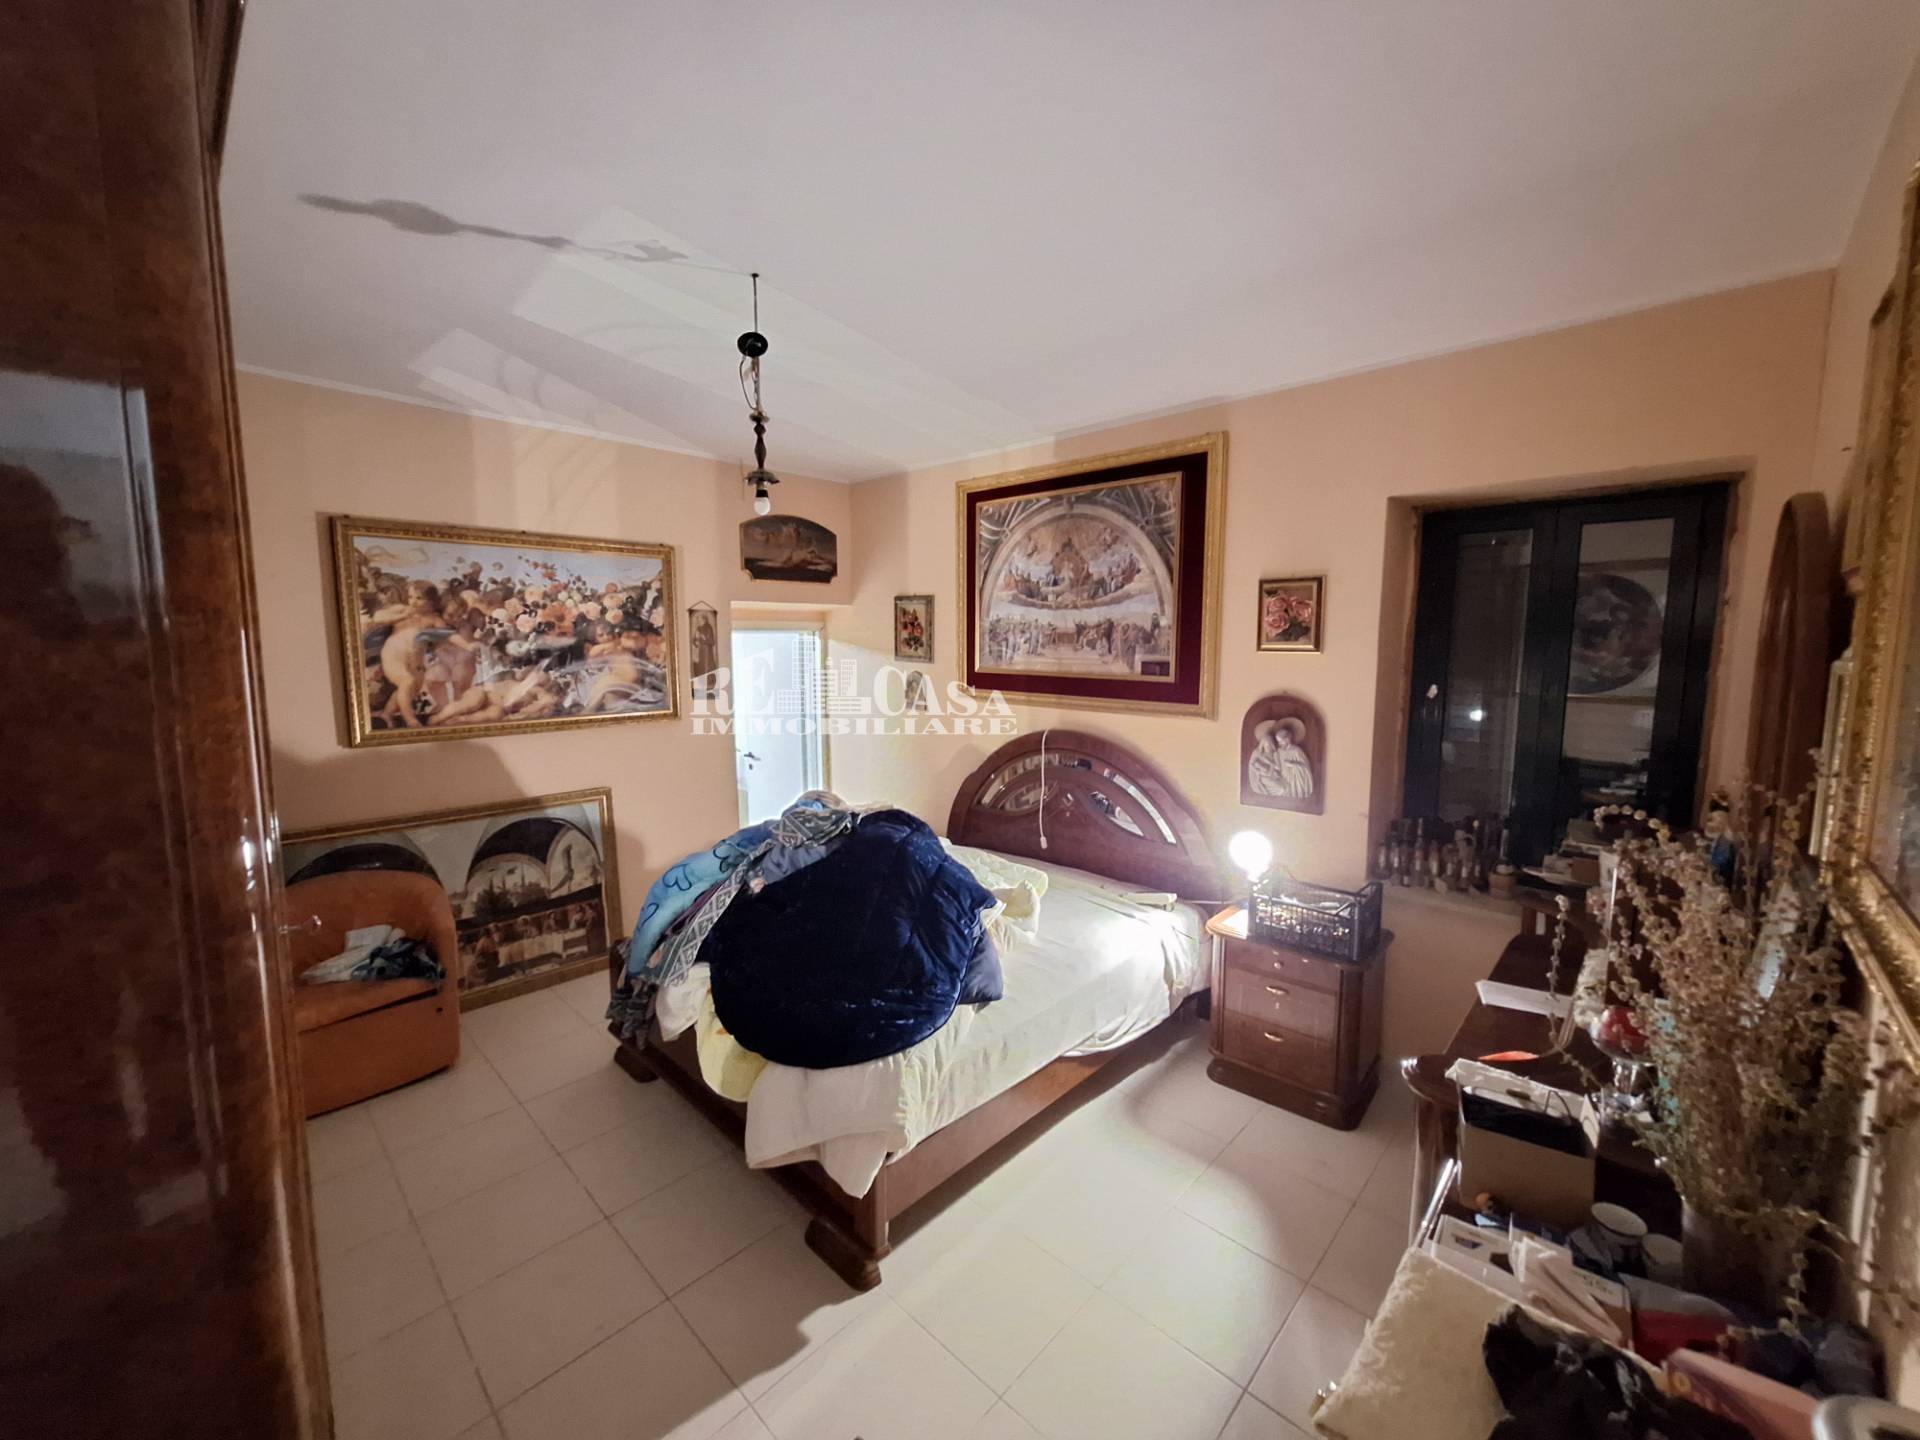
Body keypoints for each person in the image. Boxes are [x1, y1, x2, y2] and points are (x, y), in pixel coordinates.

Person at [1249, 716, 1314, 800]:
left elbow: (1305, 768)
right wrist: (1268, 769)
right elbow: (1276, 766)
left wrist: (1293, 764)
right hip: (1279, 777)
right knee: (1282, 789)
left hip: (1294, 779)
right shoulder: (1279, 751)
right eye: (1278, 742)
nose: (1279, 744)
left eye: (1280, 741)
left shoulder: (1296, 751)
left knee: (1285, 789)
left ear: (1287, 740)